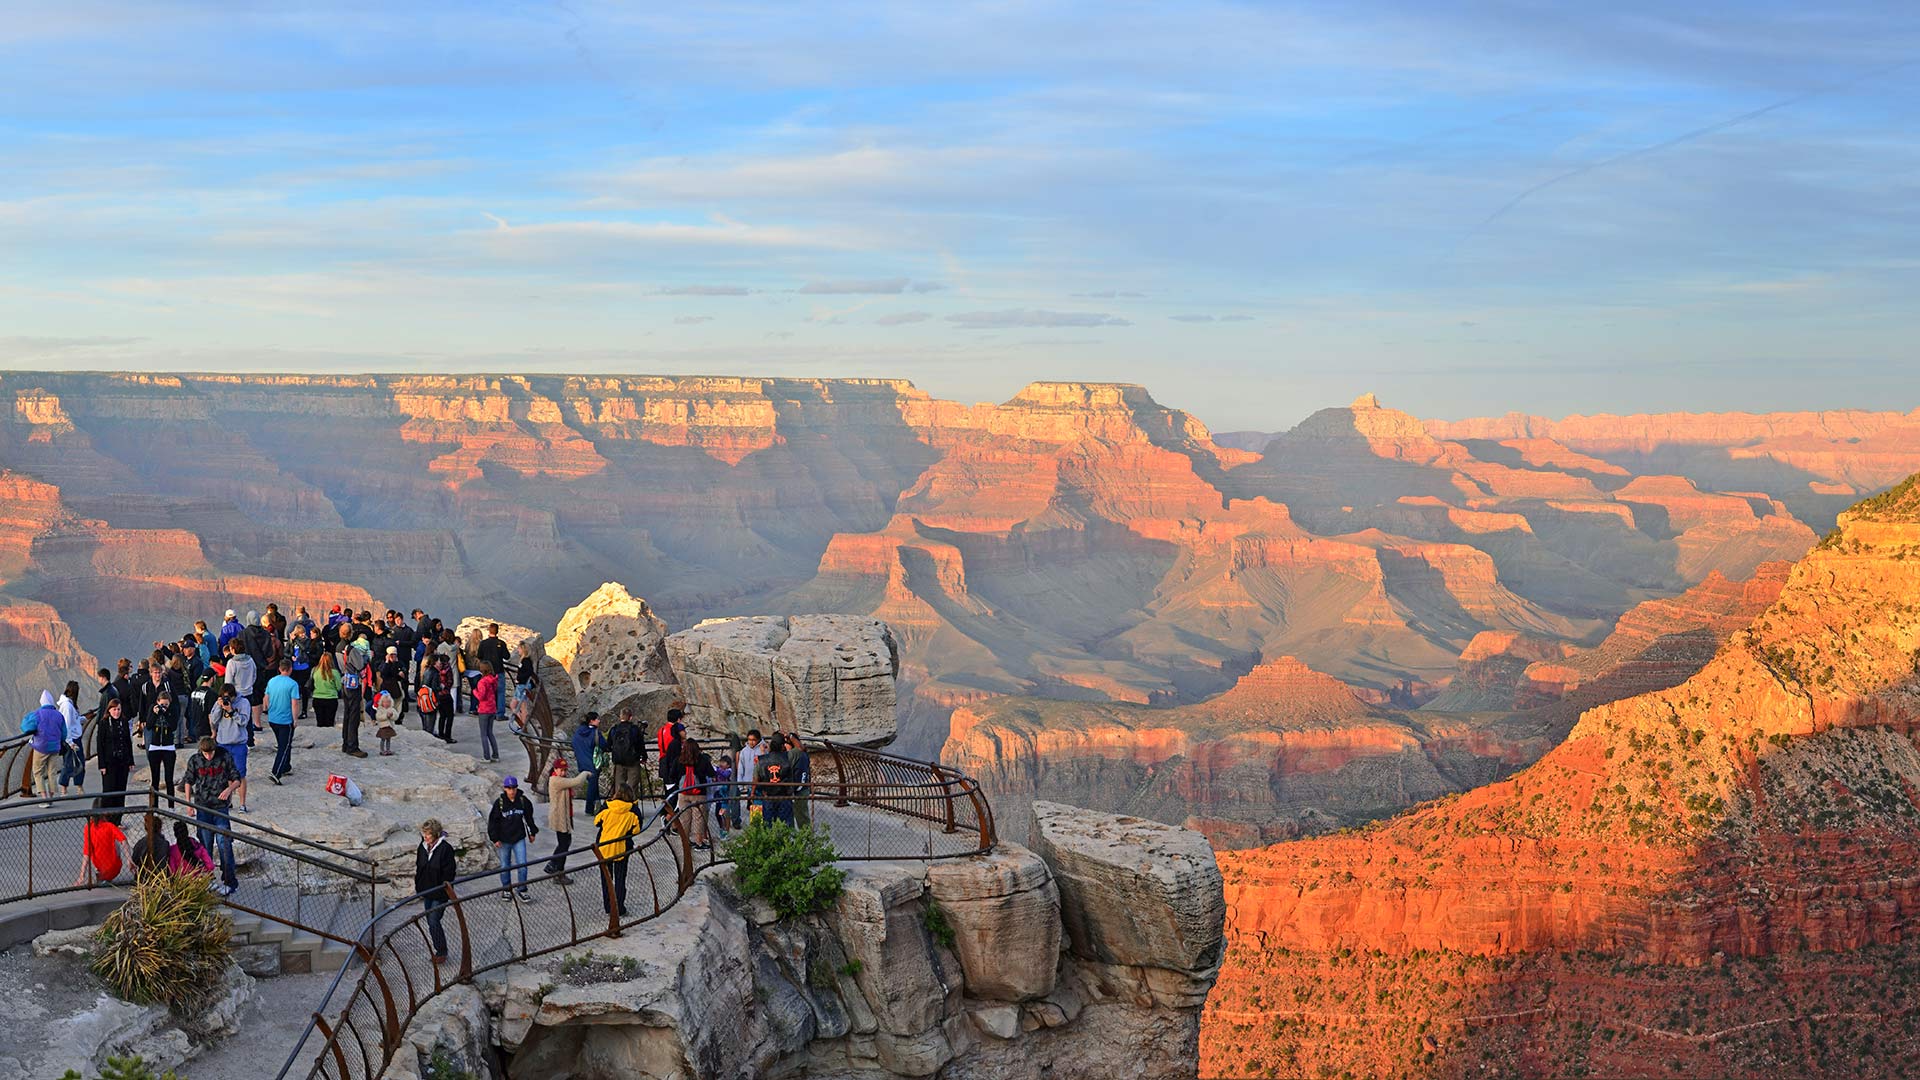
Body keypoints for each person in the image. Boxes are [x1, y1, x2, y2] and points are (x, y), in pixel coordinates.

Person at [184, 736, 242, 895]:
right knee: (205, 846)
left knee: (224, 843)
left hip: (221, 808)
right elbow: (188, 781)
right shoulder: (195, 760)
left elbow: (237, 778)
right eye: (205, 753)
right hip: (203, 808)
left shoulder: (224, 757)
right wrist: (189, 804)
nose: (208, 756)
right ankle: (207, 880)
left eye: (210, 753)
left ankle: (229, 881)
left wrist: (229, 790)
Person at [487, 776, 538, 901]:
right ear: (505, 788)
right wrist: (495, 839)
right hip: (504, 839)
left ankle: (522, 889)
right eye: (509, 788)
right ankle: (506, 888)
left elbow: (529, 817)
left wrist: (532, 832)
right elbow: (493, 822)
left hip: (518, 838)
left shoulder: (522, 801)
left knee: (522, 865)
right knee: (505, 866)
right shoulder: (500, 803)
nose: (511, 791)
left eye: (514, 788)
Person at [415, 818, 458, 965]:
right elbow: (419, 867)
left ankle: (441, 951)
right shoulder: (422, 847)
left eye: (428, 834)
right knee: (430, 920)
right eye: (424, 834)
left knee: (433, 920)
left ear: (436, 834)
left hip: (439, 892)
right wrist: (419, 886)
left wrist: (443, 890)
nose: (425, 837)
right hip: (427, 890)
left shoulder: (445, 849)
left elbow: (449, 873)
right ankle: (439, 949)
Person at [592, 786, 639, 917]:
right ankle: (620, 907)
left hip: (604, 848)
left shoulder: (607, 807)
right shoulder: (632, 812)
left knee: (606, 879)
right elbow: (636, 830)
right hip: (621, 849)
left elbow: (596, 822)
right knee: (620, 879)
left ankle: (608, 906)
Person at [543, 756, 593, 877]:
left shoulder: (561, 780)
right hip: (560, 817)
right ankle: (554, 866)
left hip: (566, 816)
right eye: (561, 770)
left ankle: (558, 869)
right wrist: (585, 773)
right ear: (555, 769)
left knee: (565, 842)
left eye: (565, 770)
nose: (564, 772)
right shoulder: (555, 780)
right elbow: (576, 781)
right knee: (563, 843)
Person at [211, 686, 251, 814]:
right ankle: (227, 801)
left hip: (238, 743)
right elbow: (213, 721)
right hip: (223, 743)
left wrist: (232, 711)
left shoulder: (243, 703)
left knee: (240, 775)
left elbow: (244, 722)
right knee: (224, 774)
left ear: (233, 696)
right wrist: (219, 706)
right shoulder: (219, 702)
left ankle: (242, 804)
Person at [671, 735, 716, 849]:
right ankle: (699, 842)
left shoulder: (679, 760)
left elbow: (672, 775)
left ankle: (685, 843)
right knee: (699, 818)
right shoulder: (703, 760)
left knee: (685, 819)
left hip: (683, 793)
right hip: (699, 793)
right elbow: (711, 773)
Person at [76, 805, 132, 886]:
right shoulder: (110, 826)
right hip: (114, 867)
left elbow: (87, 851)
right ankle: (105, 874)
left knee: (92, 846)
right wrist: (129, 859)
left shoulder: (88, 827)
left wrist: (82, 875)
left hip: (99, 864)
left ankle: (99, 871)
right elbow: (124, 840)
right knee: (116, 841)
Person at [264, 659, 300, 784]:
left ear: (279, 668)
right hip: (285, 720)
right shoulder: (293, 684)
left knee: (284, 744)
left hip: (273, 719)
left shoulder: (272, 681)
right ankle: (276, 772)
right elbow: (294, 703)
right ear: (290, 669)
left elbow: (266, 698)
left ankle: (286, 766)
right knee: (283, 747)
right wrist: (295, 719)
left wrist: (268, 710)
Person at [139, 687, 179, 799]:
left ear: (170, 703)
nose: (164, 707)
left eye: (166, 704)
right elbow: (149, 725)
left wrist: (166, 713)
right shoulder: (153, 708)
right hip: (155, 747)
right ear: (157, 702)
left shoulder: (173, 710)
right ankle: (154, 806)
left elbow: (174, 726)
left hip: (169, 748)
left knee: (169, 779)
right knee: (155, 779)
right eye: (162, 704)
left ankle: (171, 806)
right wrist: (155, 713)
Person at [97, 696, 135, 809]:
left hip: (122, 762)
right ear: (109, 710)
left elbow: (128, 742)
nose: (117, 712)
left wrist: (130, 761)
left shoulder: (123, 722)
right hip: (109, 762)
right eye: (114, 709)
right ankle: (106, 818)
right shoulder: (104, 723)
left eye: (118, 709)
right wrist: (102, 764)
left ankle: (118, 819)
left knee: (121, 791)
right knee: (109, 791)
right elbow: (100, 745)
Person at [28, 690, 64, 806]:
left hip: (41, 747)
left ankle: (44, 799)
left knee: (38, 771)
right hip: (55, 747)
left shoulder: (37, 714)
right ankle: (51, 798)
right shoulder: (59, 715)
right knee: (51, 772)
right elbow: (64, 733)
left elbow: (26, 727)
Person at [604, 709, 647, 805]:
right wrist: (644, 757)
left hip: (618, 761)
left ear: (620, 717)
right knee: (632, 786)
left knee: (619, 786)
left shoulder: (614, 729)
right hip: (633, 761)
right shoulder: (635, 729)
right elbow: (641, 745)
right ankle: (632, 808)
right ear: (630, 717)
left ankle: (618, 806)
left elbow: (608, 745)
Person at [340, 634, 369, 758]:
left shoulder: (345, 647)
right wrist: (367, 658)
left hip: (346, 681)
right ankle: (352, 746)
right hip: (352, 683)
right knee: (353, 715)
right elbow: (359, 665)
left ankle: (346, 743)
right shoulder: (355, 650)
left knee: (348, 713)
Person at [755, 733, 793, 826]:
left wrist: (760, 790)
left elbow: (757, 777)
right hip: (784, 796)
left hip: (768, 795)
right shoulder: (788, 758)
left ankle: (770, 840)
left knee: (768, 824)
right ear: (782, 746)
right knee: (785, 825)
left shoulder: (761, 760)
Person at [572, 712, 605, 815]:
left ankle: (598, 805)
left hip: (581, 762)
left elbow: (573, 743)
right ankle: (589, 809)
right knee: (592, 785)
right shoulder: (595, 733)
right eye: (597, 719)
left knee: (593, 784)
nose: (599, 721)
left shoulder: (578, 732)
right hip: (592, 763)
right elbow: (604, 744)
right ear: (592, 721)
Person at [57, 680, 86, 797]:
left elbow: (73, 721)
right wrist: (70, 742)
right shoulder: (68, 706)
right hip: (71, 739)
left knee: (79, 762)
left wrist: (81, 719)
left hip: (75, 737)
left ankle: (78, 786)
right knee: (69, 763)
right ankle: (64, 788)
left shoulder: (70, 704)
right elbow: (67, 724)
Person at [477, 624, 511, 716]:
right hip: (498, 671)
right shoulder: (501, 643)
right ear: (497, 631)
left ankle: (489, 711)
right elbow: (507, 656)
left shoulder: (483, 643)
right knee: (500, 692)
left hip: (486, 672)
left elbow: (479, 655)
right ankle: (500, 714)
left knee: (488, 692)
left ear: (489, 631)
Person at [287, 623, 317, 719]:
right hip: (294, 668)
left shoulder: (307, 641)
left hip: (304, 667)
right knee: (293, 689)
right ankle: (292, 710)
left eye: (304, 633)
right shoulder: (292, 642)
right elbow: (286, 651)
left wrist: (296, 640)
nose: (303, 635)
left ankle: (304, 711)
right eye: (301, 633)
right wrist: (290, 656)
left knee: (304, 689)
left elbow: (304, 649)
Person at [784, 731, 813, 830]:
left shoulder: (796, 754)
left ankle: (803, 837)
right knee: (802, 815)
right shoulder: (803, 754)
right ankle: (805, 836)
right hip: (801, 788)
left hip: (798, 789)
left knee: (801, 815)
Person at [736, 728, 764, 826]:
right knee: (753, 805)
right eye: (749, 739)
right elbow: (741, 767)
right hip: (748, 783)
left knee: (757, 804)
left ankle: (756, 826)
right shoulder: (744, 751)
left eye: (753, 740)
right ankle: (756, 825)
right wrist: (740, 783)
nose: (751, 742)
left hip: (760, 783)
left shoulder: (762, 749)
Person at [473, 663, 500, 762]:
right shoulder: (493, 680)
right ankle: (495, 755)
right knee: (490, 733)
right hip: (492, 708)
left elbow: (481, 696)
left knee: (483, 734)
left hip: (484, 709)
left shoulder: (482, 682)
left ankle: (486, 756)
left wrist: (474, 692)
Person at [311, 650, 342, 729]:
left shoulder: (315, 671)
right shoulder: (334, 672)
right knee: (329, 723)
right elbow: (339, 687)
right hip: (331, 699)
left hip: (317, 698)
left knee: (320, 723)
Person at [373, 688, 400, 755]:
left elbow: (396, 717)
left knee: (388, 739)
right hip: (383, 727)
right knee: (383, 739)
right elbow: (378, 717)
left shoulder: (392, 709)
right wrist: (386, 716)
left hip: (390, 727)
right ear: (382, 702)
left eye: (388, 702)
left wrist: (392, 716)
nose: (387, 704)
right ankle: (382, 750)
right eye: (385, 702)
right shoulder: (380, 709)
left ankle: (388, 750)